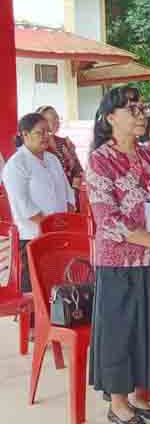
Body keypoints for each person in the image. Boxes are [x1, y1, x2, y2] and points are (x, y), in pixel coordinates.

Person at [86, 86, 150, 424]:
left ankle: (142, 395)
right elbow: (108, 219)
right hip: (120, 262)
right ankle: (118, 403)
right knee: (121, 331)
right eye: (132, 109)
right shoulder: (100, 160)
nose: (140, 115)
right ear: (110, 117)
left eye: (141, 108)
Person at [2, 113, 75, 293]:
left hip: (60, 233)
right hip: (33, 236)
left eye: (48, 132)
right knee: (36, 289)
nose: (45, 136)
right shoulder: (16, 164)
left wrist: (66, 218)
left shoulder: (52, 159)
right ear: (25, 134)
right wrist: (50, 225)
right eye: (39, 132)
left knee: (60, 287)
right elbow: (24, 205)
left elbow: (67, 192)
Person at [36, 105, 83, 196]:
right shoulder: (38, 147)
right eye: (50, 120)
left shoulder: (66, 142)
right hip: (49, 195)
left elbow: (78, 170)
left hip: (71, 194)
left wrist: (73, 191)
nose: (55, 122)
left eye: (56, 118)